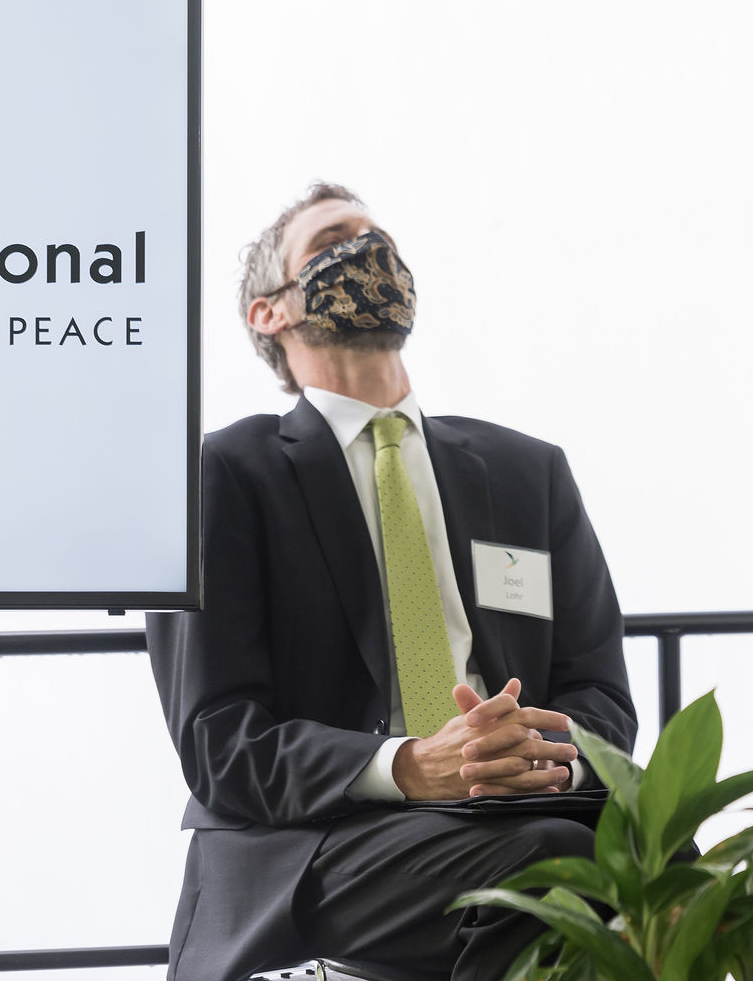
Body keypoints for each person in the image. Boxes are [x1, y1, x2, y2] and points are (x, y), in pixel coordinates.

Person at [147, 183, 636, 981]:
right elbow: (219, 741)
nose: (370, 254)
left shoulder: (527, 473)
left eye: (380, 239)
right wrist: (409, 764)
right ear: (268, 312)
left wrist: (538, 755)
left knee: (669, 848)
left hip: (522, 807)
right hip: (320, 843)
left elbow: (601, 695)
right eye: (336, 240)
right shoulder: (224, 474)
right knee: (553, 865)